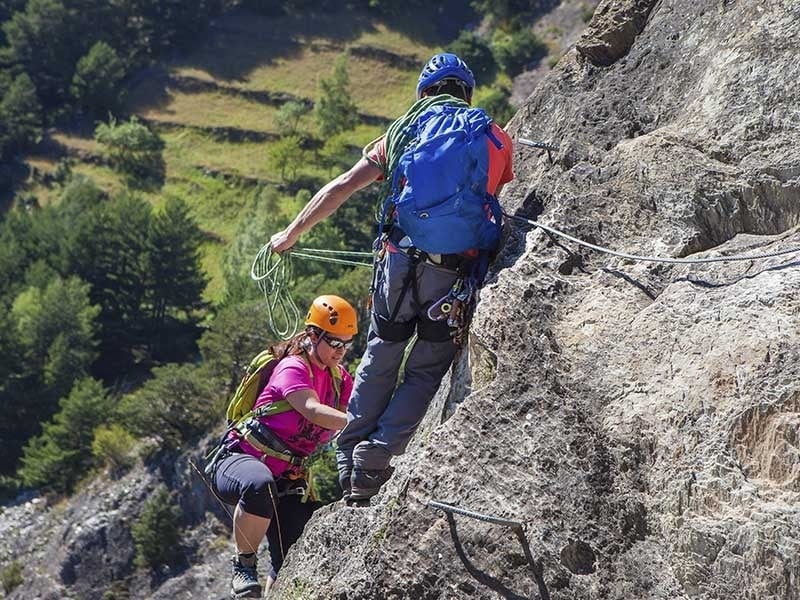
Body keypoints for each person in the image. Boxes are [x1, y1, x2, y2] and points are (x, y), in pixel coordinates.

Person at [270, 53, 514, 506]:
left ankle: (347, 456)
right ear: (466, 92)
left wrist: (291, 234)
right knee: (425, 366)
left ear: (425, 92)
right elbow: (490, 197)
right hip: (451, 270)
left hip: (398, 259)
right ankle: (375, 459)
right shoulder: (493, 136)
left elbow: (342, 185)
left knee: (382, 351)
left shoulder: (403, 131)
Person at [211, 295, 357, 598]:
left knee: (294, 550)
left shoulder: (339, 380)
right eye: (334, 343)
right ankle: (244, 566)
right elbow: (312, 410)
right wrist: (357, 420)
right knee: (258, 484)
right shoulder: (293, 367)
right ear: (313, 335)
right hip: (241, 459)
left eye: (346, 344)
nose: (341, 352)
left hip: (288, 477)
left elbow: (355, 411)